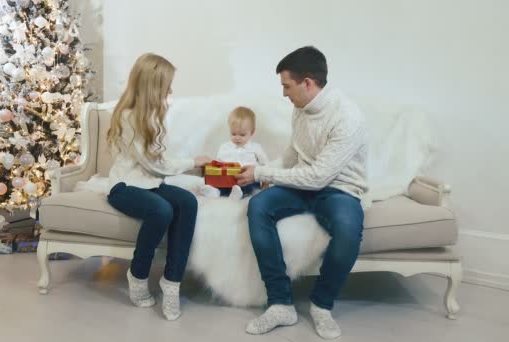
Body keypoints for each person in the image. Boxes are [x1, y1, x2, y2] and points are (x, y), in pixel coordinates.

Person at [236, 46, 367, 339]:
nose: (284, 93)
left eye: (287, 86)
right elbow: (293, 156)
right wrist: (260, 173)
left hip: (339, 190)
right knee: (258, 207)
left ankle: (321, 304)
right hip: (302, 186)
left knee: (348, 230)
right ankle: (280, 302)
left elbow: (320, 177)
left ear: (308, 82)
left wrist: (262, 172)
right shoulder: (301, 109)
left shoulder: (348, 117)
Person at [105, 53, 211, 321]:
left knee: (188, 201)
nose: (171, 91)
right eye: (167, 85)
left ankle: (171, 283)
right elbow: (154, 164)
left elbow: (157, 165)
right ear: (153, 85)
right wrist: (192, 162)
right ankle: (138, 275)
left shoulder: (152, 116)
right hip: (125, 186)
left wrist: (193, 166)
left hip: (149, 184)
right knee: (161, 210)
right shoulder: (128, 117)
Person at [199, 106, 268, 200]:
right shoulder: (224, 147)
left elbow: (266, 165)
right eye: (233, 134)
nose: (237, 138)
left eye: (242, 135)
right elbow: (218, 166)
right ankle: (215, 191)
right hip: (228, 179)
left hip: (247, 179)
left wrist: (265, 183)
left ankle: (238, 194)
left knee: (251, 186)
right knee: (221, 183)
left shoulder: (256, 148)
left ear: (252, 132)